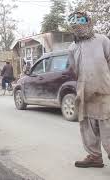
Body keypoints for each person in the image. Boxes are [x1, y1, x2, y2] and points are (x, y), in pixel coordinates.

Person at [68, 11, 110, 168]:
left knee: (107, 125)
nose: (78, 27)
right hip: (85, 92)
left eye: (81, 23)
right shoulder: (73, 47)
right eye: (75, 25)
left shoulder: (102, 40)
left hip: (105, 91)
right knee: (87, 125)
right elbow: (75, 69)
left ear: (89, 22)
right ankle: (95, 157)